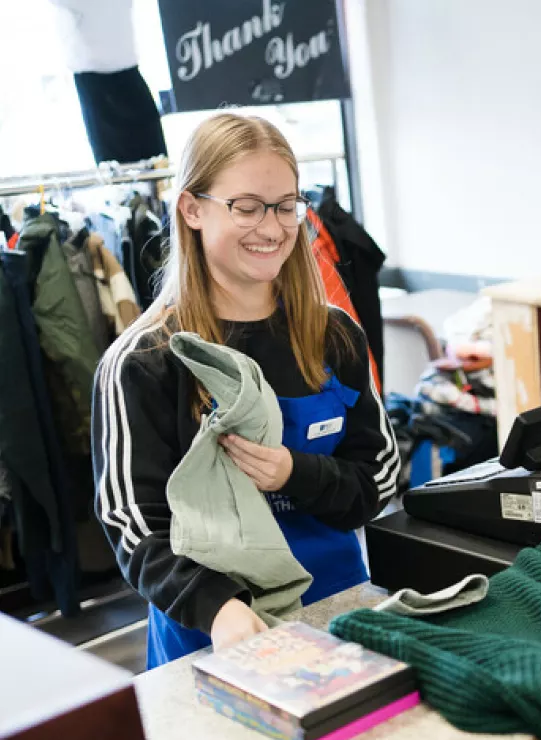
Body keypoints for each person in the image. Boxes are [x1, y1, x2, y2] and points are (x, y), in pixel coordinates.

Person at [92, 114, 400, 669]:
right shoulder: (143, 362)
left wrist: (294, 473)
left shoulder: (335, 337)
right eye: (247, 206)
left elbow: (376, 478)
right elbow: (134, 524)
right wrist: (218, 609)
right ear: (192, 209)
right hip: (212, 639)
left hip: (337, 612)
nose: (273, 227)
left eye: (286, 205)